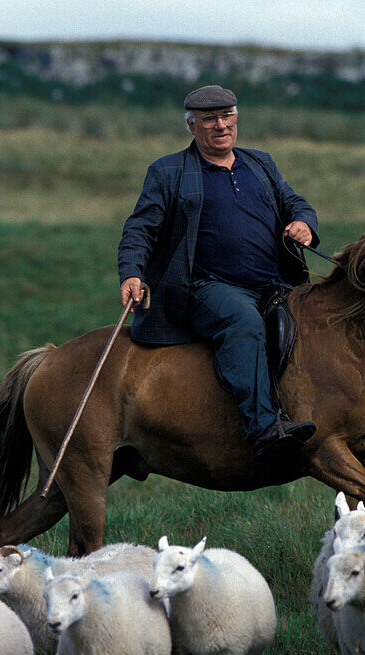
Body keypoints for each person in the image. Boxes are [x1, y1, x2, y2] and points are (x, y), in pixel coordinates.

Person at [117, 84, 320, 463]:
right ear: (191, 126)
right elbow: (139, 229)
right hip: (207, 287)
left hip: (274, 284)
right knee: (243, 323)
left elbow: (294, 201)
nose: (221, 125)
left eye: (227, 116)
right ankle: (263, 429)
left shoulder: (260, 163)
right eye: (209, 119)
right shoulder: (168, 171)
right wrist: (131, 272)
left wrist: (304, 222)